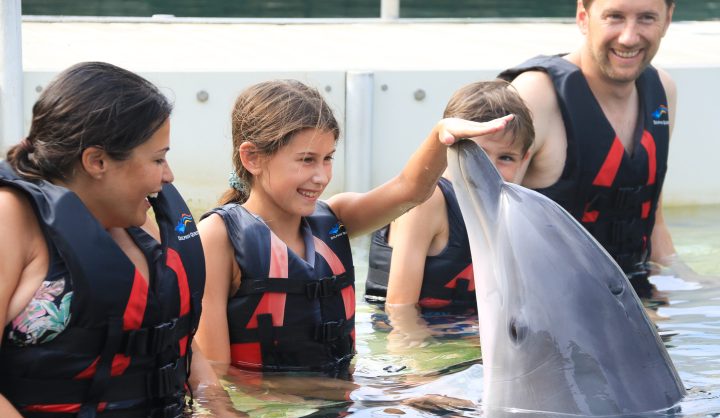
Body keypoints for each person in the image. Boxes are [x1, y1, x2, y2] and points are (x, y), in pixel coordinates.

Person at [195, 79, 512, 377]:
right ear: (252, 157)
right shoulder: (218, 236)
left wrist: (442, 134)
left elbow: (409, 190)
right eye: (307, 160)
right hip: (269, 417)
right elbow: (217, 373)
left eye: (328, 159)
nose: (321, 176)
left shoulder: (336, 218)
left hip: (339, 403)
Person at [0, 62, 209, 418]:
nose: (169, 176)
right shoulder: (11, 219)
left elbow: (165, 330)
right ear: (97, 161)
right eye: (158, 159)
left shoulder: (140, 221)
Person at [498, 0, 677, 297]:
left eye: (646, 18)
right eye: (614, 17)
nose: (629, 37)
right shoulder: (536, 95)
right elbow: (476, 217)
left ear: (668, 20)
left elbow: (653, 218)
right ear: (583, 17)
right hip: (550, 303)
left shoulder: (663, 91)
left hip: (629, 296)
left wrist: (685, 289)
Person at [364, 80, 534, 313]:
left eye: (506, 158)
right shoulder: (427, 202)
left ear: (524, 160)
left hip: (461, 335)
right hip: (409, 332)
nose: (490, 168)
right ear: (450, 146)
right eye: (478, 154)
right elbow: (399, 310)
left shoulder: (510, 211)